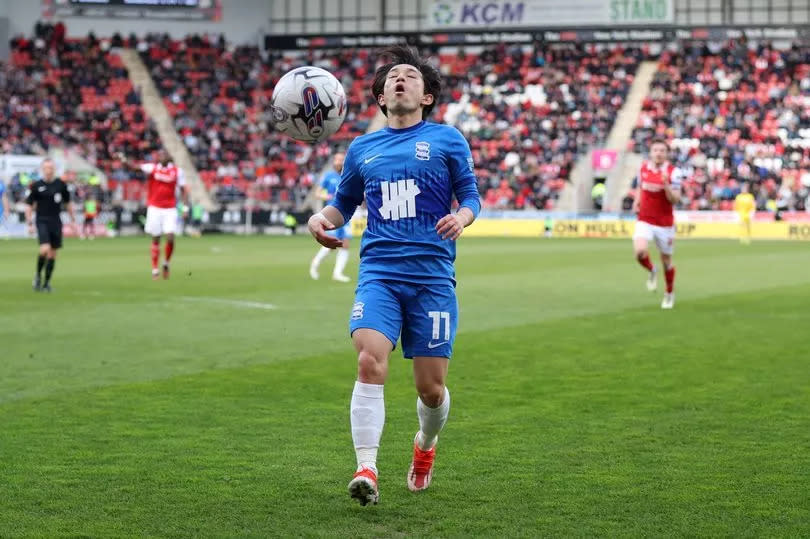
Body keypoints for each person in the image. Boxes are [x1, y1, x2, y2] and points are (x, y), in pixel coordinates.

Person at [307, 46, 481, 506]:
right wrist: (320, 220)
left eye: (411, 76)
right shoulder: (362, 148)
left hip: (432, 277)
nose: (400, 81)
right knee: (369, 360)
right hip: (379, 272)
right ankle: (367, 467)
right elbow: (342, 204)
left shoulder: (447, 140)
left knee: (431, 389)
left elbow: (471, 196)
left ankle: (425, 446)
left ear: (426, 96)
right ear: (381, 97)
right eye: (392, 78)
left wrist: (462, 218)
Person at [122, 150, 190, 279]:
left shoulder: (177, 171)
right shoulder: (152, 168)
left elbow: (184, 191)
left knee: (170, 237)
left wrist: (185, 208)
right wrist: (124, 160)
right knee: (156, 238)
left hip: (170, 209)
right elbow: (134, 167)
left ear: (169, 157)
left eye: (164, 155)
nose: (161, 156)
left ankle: (166, 263)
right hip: (155, 208)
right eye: (160, 155)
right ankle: (155, 269)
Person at [632, 139, 681, 309]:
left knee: (666, 261)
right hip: (645, 218)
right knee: (639, 252)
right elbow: (640, 186)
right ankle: (652, 270)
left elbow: (675, 199)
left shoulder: (673, 172)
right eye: (655, 150)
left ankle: (669, 293)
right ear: (651, 152)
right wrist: (636, 201)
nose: (658, 153)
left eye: (662, 150)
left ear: (666, 153)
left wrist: (666, 185)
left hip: (664, 224)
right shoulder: (644, 168)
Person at [25, 159, 76, 292]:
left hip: (56, 221)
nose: (49, 170)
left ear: (54, 169)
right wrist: (29, 222)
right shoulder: (36, 185)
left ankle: (46, 283)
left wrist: (73, 220)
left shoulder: (60, 185)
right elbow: (29, 205)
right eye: (46, 167)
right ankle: (37, 276)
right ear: (42, 169)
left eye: (51, 168)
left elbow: (68, 203)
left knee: (53, 253)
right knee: (44, 249)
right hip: (41, 220)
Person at [309, 151, 352, 282]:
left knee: (345, 243)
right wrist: (327, 196)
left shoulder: (347, 175)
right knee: (330, 244)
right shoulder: (328, 176)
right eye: (337, 159)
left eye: (341, 160)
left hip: (346, 214)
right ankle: (314, 265)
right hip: (332, 214)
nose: (339, 162)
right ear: (334, 161)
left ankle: (337, 273)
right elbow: (317, 193)